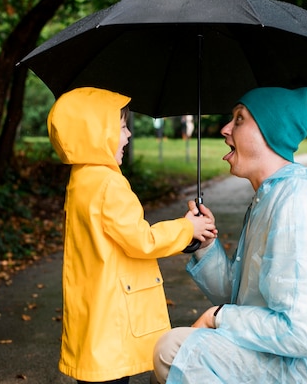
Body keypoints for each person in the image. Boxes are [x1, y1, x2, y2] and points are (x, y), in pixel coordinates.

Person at [152, 87, 307, 383]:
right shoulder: (271, 198)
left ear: (269, 132)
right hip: (298, 356)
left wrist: (216, 316)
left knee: (174, 351)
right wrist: (205, 247)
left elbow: (299, 333)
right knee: (179, 351)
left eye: (239, 119)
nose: (224, 128)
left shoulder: (299, 206)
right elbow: (240, 298)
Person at [47, 87, 216, 384]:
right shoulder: (109, 184)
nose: (127, 136)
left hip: (92, 307)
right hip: (112, 314)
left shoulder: (81, 179)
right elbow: (141, 240)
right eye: (122, 127)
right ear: (96, 133)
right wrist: (187, 228)